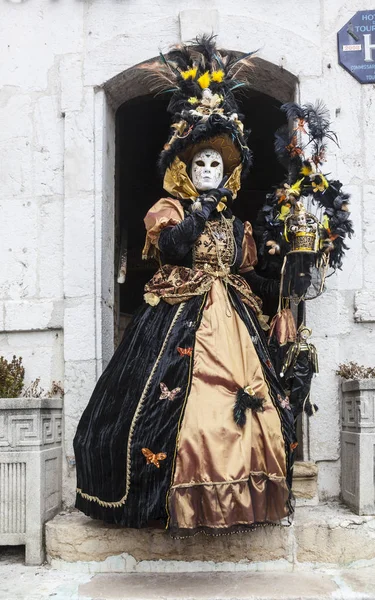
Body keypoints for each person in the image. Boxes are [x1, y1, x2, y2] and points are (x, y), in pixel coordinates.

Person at [74, 36, 297, 537]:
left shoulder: (237, 226)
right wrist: (199, 212)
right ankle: (167, 499)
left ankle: (240, 496)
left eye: (216, 165)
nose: (208, 171)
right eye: (200, 164)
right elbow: (173, 248)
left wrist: (280, 277)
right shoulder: (171, 209)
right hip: (179, 310)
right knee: (170, 409)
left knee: (250, 406)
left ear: (227, 170)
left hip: (233, 320)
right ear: (186, 168)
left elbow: (249, 276)